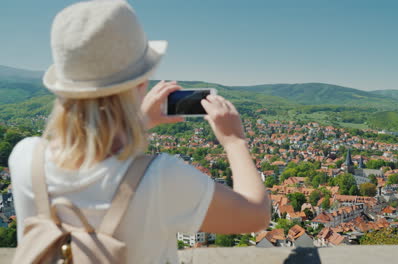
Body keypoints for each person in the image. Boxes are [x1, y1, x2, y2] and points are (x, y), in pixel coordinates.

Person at [8, 1, 270, 263]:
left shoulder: (25, 158)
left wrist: (138, 122)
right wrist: (234, 141)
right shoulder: (160, 177)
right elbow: (256, 215)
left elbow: (97, 161)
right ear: (141, 82)